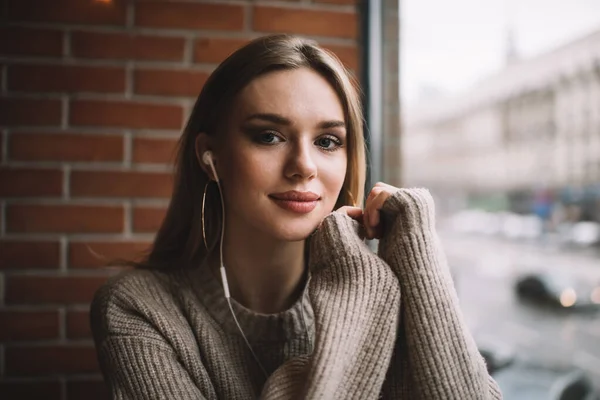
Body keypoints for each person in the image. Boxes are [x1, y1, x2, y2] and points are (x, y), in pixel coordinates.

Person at [91, 34, 502, 399]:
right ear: (209, 156)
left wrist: (416, 252)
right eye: (268, 136)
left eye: (327, 141)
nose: (304, 165)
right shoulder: (139, 307)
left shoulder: (384, 289)